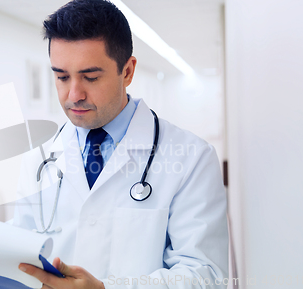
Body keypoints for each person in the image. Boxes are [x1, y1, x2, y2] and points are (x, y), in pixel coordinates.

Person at [14, 0, 229, 288]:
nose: (74, 94)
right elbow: (20, 248)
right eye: (62, 76)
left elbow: (205, 276)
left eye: (90, 77)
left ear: (127, 71)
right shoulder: (38, 158)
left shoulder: (192, 157)